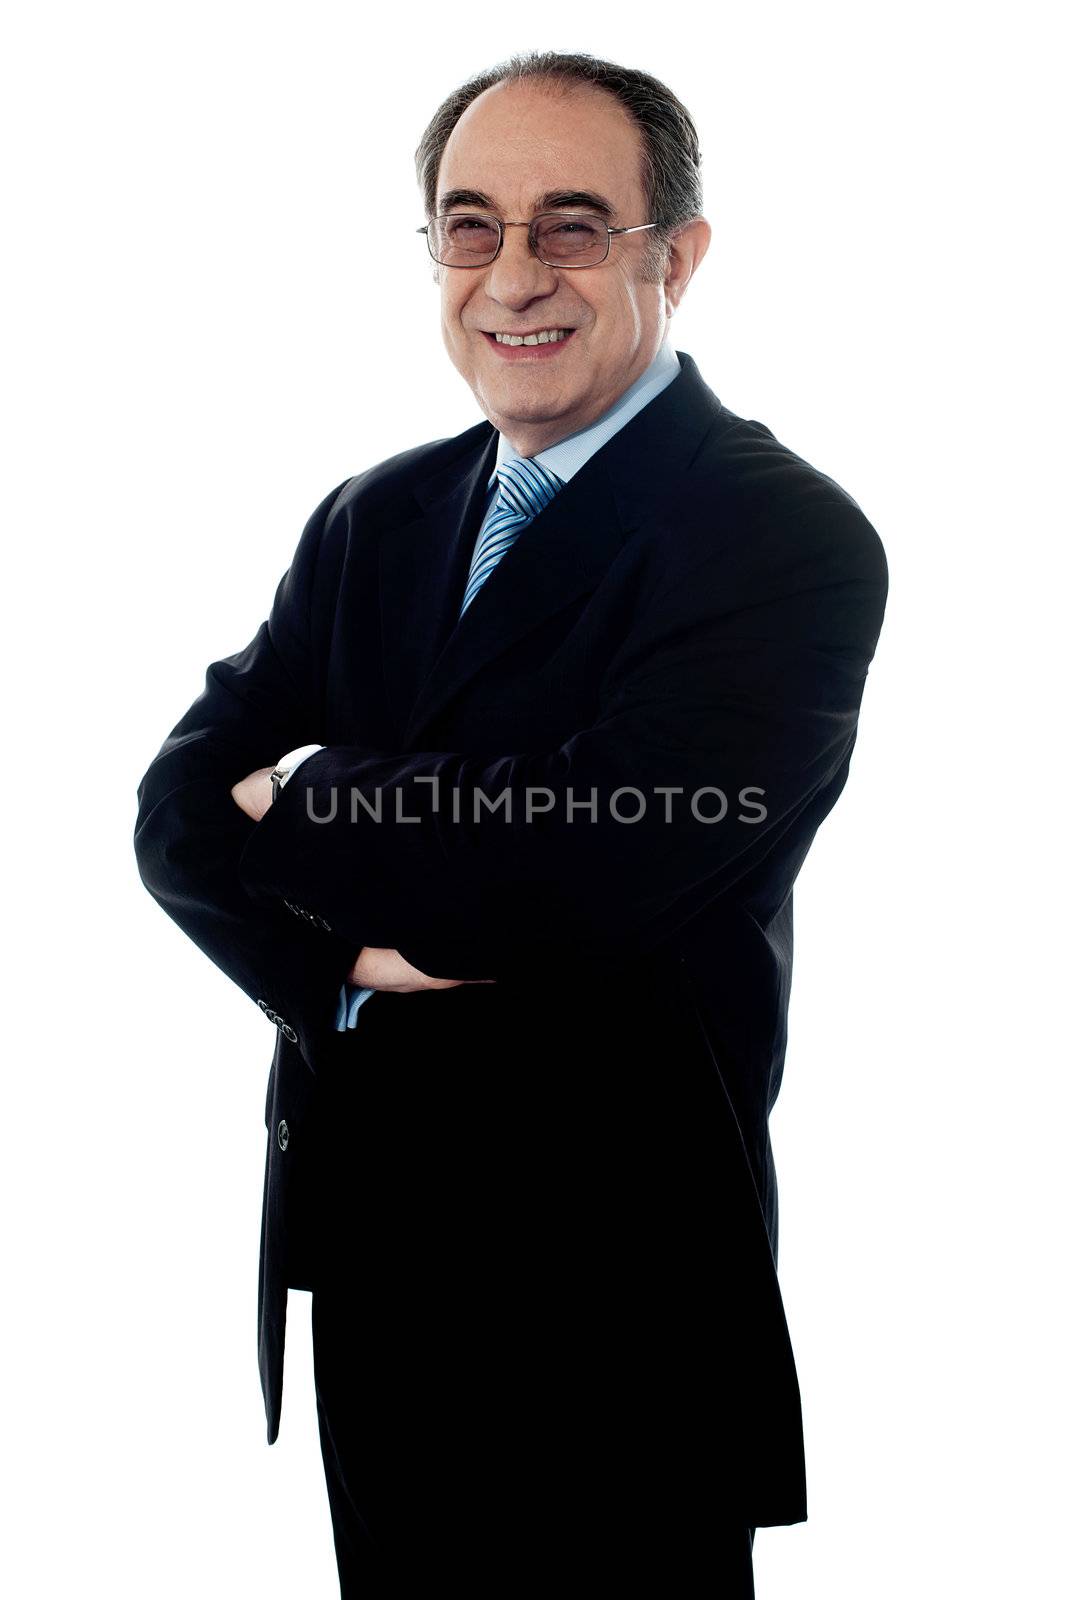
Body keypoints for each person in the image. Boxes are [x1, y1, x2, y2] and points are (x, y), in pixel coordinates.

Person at [134, 49, 888, 1598]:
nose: (512, 277)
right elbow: (173, 819)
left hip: (620, 1316)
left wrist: (317, 790)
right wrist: (341, 962)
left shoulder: (780, 535)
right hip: (379, 1277)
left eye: (570, 225)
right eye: (469, 228)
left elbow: (589, 860)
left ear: (673, 255)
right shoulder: (377, 517)